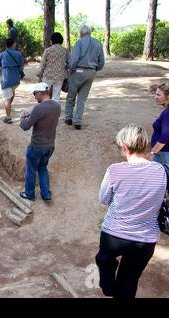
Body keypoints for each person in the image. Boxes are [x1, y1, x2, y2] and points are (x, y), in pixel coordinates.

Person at [96, 124, 166, 299]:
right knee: (129, 279)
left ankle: (108, 288)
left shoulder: (115, 170)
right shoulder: (161, 170)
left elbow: (104, 199)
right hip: (146, 238)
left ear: (125, 148)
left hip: (115, 234)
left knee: (103, 260)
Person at [18, 83, 61, 201]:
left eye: (34, 94)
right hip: (50, 146)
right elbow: (45, 116)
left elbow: (25, 126)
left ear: (39, 93)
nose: (34, 97)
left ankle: (29, 194)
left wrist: (22, 117)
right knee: (42, 168)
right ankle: (46, 194)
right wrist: (31, 114)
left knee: (31, 170)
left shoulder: (38, 108)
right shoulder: (57, 106)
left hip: (37, 146)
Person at [65, 25, 105, 130]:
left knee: (71, 96)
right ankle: (77, 121)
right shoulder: (98, 43)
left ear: (81, 33)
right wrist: (96, 69)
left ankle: (68, 118)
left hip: (77, 71)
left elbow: (73, 59)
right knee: (82, 99)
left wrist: (70, 68)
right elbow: (102, 62)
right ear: (90, 33)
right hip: (91, 72)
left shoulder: (79, 42)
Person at [0, 37, 24, 124]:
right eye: (14, 43)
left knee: (7, 99)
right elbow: (21, 67)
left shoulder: (2, 54)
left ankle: (8, 118)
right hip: (16, 80)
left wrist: (1, 70)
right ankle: (9, 107)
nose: (15, 45)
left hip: (6, 79)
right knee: (12, 92)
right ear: (12, 44)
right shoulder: (18, 54)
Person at [38, 32, 70, 104]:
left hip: (48, 76)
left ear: (52, 41)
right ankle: (54, 111)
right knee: (56, 96)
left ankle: (44, 109)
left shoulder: (48, 50)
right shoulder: (65, 51)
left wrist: (39, 74)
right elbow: (70, 62)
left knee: (44, 93)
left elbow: (42, 64)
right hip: (60, 76)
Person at [151, 82, 169, 165]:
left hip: (163, 154)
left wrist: (153, 152)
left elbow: (165, 136)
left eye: (158, 95)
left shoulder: (167, 113)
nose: (155, 97)